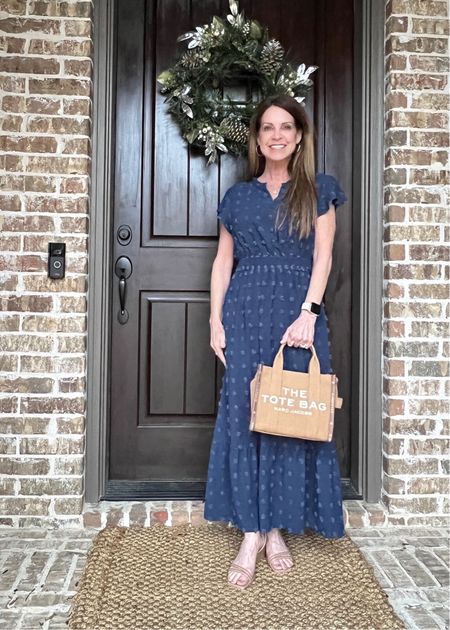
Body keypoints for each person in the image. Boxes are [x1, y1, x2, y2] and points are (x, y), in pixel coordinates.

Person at [204, 94, 348, 590]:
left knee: (289, 415)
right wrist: (213, 321)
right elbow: (223, 262)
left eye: (286, 127)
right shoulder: (238, 196)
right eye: (267, 127)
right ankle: (250, 533)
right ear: (257, 138)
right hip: (244, 313)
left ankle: (276, 530)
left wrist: (308, 313)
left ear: (300, 135)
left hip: (296, 316)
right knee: (247, 417)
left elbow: (324, 257)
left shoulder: (318, 190)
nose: (277, 135)